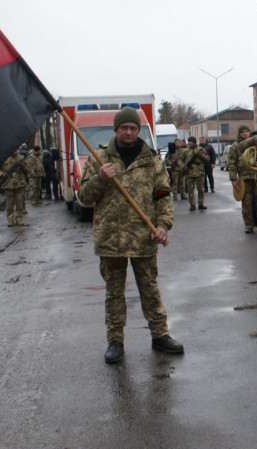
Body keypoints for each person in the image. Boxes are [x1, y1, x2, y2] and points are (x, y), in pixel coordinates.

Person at [78, 107, 183, 364]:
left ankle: (160, 335)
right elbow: (84, 197)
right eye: (124, 127)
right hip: (110, 239)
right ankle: (115, 340)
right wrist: (101, 179)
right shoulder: (100, 157)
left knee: (150, 289)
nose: (128, 132)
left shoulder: (151, 159)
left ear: (139, 130)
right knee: (114, 293)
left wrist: (163, 225)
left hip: (143, 237)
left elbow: (163, 195)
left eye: (133, 128)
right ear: (116, 129)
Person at [228, 125, 257, 233]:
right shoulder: (235, 146)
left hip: (256, 176)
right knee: (246, 203)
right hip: (244, 178)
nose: (245, 134)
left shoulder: (254, 143)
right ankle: (249, 224)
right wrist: (233, 179)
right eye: (243, 132)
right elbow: (232, 163)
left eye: (247, 131)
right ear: (239, 134)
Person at [0, 148, 30, 226]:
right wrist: (2, 174)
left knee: (20, 202)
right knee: (10, 203)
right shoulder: (3, 157)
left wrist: (24, 164)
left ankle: (19, 218)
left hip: (19, 183)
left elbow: (27, 169)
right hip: (8, 184)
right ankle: (10, 219)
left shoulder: (20, 158)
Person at [179, 137, 209, 211]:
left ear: (194, 142)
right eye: (188, 142)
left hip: (200, 173)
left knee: (201, 190)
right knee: (190, 190)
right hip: (189, 174)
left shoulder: (201, 149)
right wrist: (183, 167)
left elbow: (207, 158)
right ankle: (192, 205)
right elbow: (179, 160)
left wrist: (200, 155)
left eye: (190, 142)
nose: (189, 143)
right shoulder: (185, 151)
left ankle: (201, 203)